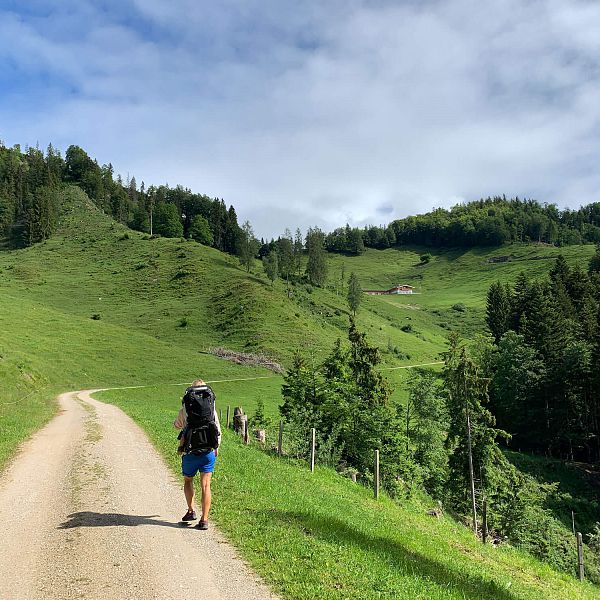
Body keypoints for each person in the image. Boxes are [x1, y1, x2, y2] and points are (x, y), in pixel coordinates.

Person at [174, 379, 221, 530]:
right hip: (208, 451)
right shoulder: (211, 410)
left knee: (188, 481)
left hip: (190, 451)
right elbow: (217, 430)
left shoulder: (185, 409)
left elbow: (177, 425)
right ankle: (204, 520)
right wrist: (216, 446)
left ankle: (190, 510)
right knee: (206, 485)